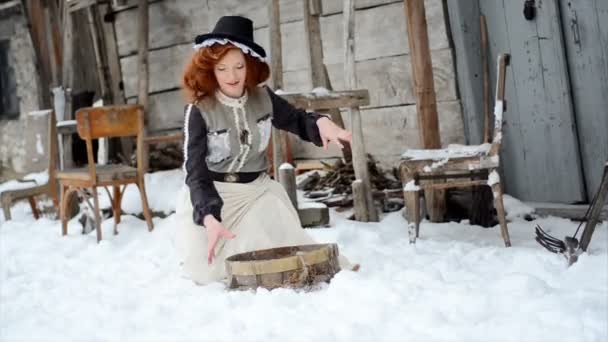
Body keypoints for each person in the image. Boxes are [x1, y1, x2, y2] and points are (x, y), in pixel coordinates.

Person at [174, 15, 355, 285]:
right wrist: (209, 216)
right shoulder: (199, 110)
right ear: (210, 69)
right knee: (206, 273)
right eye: (222, 68)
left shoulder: (263, 97)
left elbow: (295, 119)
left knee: (270, 252)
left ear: (250, 66)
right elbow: (195, 170)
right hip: (214, 195)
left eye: (238, 66)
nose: (232, 76)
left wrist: (321, 123)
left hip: (258, 193)